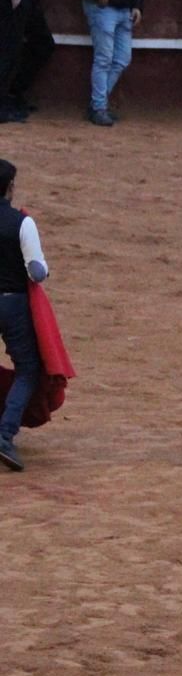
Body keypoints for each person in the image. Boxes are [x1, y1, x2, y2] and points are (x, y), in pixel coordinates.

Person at [0, 159, 49, 472]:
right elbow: (37, 272)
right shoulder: (21, 222)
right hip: (12, 303)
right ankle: (3, 435)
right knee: (28, 369)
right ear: (10, 188)